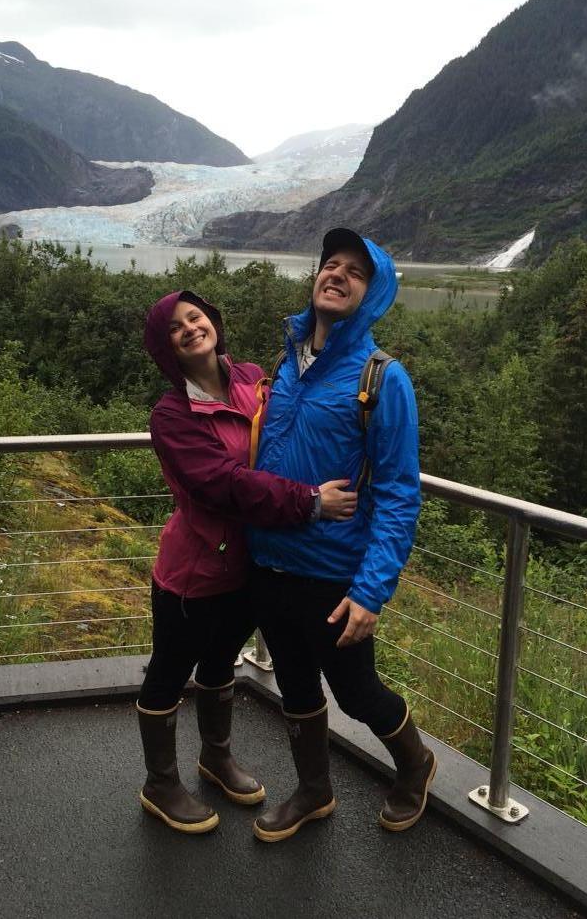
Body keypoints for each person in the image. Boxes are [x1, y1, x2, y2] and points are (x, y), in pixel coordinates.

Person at [137, 290, 357, 834]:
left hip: (250, 566)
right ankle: (160, 783)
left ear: (213, 320)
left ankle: (216, 757)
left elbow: (290, 436)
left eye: (196, 316)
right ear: (165, 349)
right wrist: (309, 502)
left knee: (219, 665)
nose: (191, 328)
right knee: (169, 673)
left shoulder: (253, 377)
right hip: (194, 574)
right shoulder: (171, 415)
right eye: (175, 327)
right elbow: (224, 485)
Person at [247, 227, 433, 842]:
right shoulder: (290, 363)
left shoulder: (384, 379)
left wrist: (372, 590)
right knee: (295, 684)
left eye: (356, 271)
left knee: (355, 693)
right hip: (272, 562)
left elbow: (401, 494)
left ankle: (415, 762)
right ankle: (314, 790)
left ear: (373, 294)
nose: (338, 274)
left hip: (334, 572)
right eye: (331, 263)